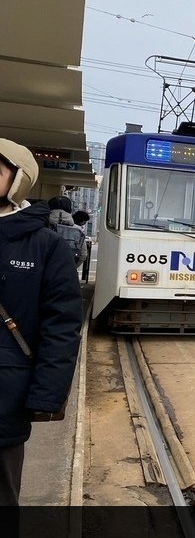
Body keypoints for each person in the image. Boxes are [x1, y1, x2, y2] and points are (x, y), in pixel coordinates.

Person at [0, 139, 82, 506]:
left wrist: (45, 396)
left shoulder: (47, 246)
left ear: (18, 181)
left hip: (6, 393)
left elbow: (62, 326)